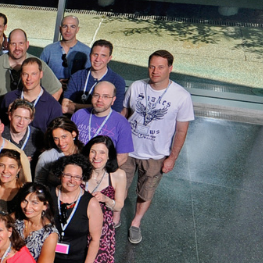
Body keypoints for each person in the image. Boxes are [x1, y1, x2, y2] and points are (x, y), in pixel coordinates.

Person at [123, 50, 194, 244]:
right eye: (152, 66)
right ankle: (113, 217)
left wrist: (172, 158)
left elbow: (181, 131)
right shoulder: (137, 86)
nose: (155, 71)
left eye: (161, 67)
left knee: (146, 192)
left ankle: (136, 223)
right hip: (128, 149)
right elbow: (124, 113)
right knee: (118, 187)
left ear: (170, 68)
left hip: (156, 155)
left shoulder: (181, 96)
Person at [72, 136, 127, 263]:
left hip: (101, 227)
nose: (97, 156)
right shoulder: (79, 170)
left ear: (109, 155)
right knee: (73, 261)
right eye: (93, 151)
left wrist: (105, 199)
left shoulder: (117, 175)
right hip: (77, 224)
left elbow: (119, 205)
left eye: (102, 152)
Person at [0, 30, 61, 100]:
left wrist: (42, 112)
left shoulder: (38, 64)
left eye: (21, 43)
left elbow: (57, 89)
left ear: (27, 44)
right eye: (13, 44)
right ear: (7, 45)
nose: (17, 48)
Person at [72, 81, 133, 164]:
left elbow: (122, 157)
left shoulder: (122, 123)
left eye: (106, 96)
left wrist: (101, 172)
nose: (100, 100)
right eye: (96, 95)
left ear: (113, 100)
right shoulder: (79, 114)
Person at [0, 57, 64, 134]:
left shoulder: (53, 106)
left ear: (41, 74)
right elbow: (0, 127)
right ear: (21, 75)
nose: (29, 78)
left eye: (33, 74)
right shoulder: (8, 98)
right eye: (25, 74)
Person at [62, 40, 127, 115]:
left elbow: (115, 112)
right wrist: (101, 107)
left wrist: (75, 106)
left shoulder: (117, 81)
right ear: (90, 55)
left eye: (103, 55)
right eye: (95, 54)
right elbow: (65, 108)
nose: (98, 59)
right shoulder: (77, 76)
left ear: (109, 58)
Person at [40, 15, 90, 84]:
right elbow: (39, 73)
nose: (68, 30)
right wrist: (56, 85)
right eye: (65, 26)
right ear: (60, 29)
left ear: (77, 29)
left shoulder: (87, 52)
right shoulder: (48, 50)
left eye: (72, 27)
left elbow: (89, 77)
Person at [34, 116, 82, 185]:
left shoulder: (85, 152)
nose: (61, 143)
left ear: (73, 134)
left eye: (64, 137)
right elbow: (38, 183)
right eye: (56, 139)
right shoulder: (47, 156)